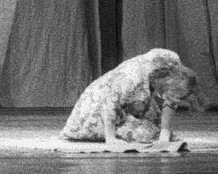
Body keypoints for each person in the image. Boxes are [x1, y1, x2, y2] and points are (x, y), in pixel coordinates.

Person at [60, 47, 206, 145]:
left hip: (133, 103)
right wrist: (111, 138)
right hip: (99, 109)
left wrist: (165, 130)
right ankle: (112, 131)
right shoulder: (132, 77)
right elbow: (110, 104)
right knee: (146, 134)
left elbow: (171, 99)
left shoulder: (173, 65)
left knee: (163, 135)